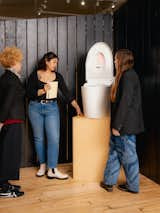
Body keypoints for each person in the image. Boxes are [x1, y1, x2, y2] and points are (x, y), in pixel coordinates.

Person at [27, 52, 82, 179]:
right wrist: (43, 90)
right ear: (46, 61)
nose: (55, 65)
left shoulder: (57, 76)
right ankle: (42, 166)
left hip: (51, 108)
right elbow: (28, 93)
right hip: (35, 108)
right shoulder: (35, 75)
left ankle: (52, 169)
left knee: (54, 139)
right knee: (39, 138)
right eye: (53, 62)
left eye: (56, 62)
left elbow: (67, 94)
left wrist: (77, 106)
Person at [100, 49, 144, 193]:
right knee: (114, 152)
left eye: (115, 59)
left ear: (121, 60)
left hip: (125, 126)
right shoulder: (126, 75)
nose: (114, 61)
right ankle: (108, 182)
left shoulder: (128, 76)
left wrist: (117, 126)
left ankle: (133, 186)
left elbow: (125, 103)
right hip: (124, 125)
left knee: (129, 157)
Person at [0, 47, 25, 198]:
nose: (21, 64)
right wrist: (1, 121)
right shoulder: (11, 79)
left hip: (10, 120)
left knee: (7, 152)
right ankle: (3, 188)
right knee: (9, 154)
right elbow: (7, 102)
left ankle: (4, 182)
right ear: (14, 62)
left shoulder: (7, 77)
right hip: (11, 120)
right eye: (19, 61)